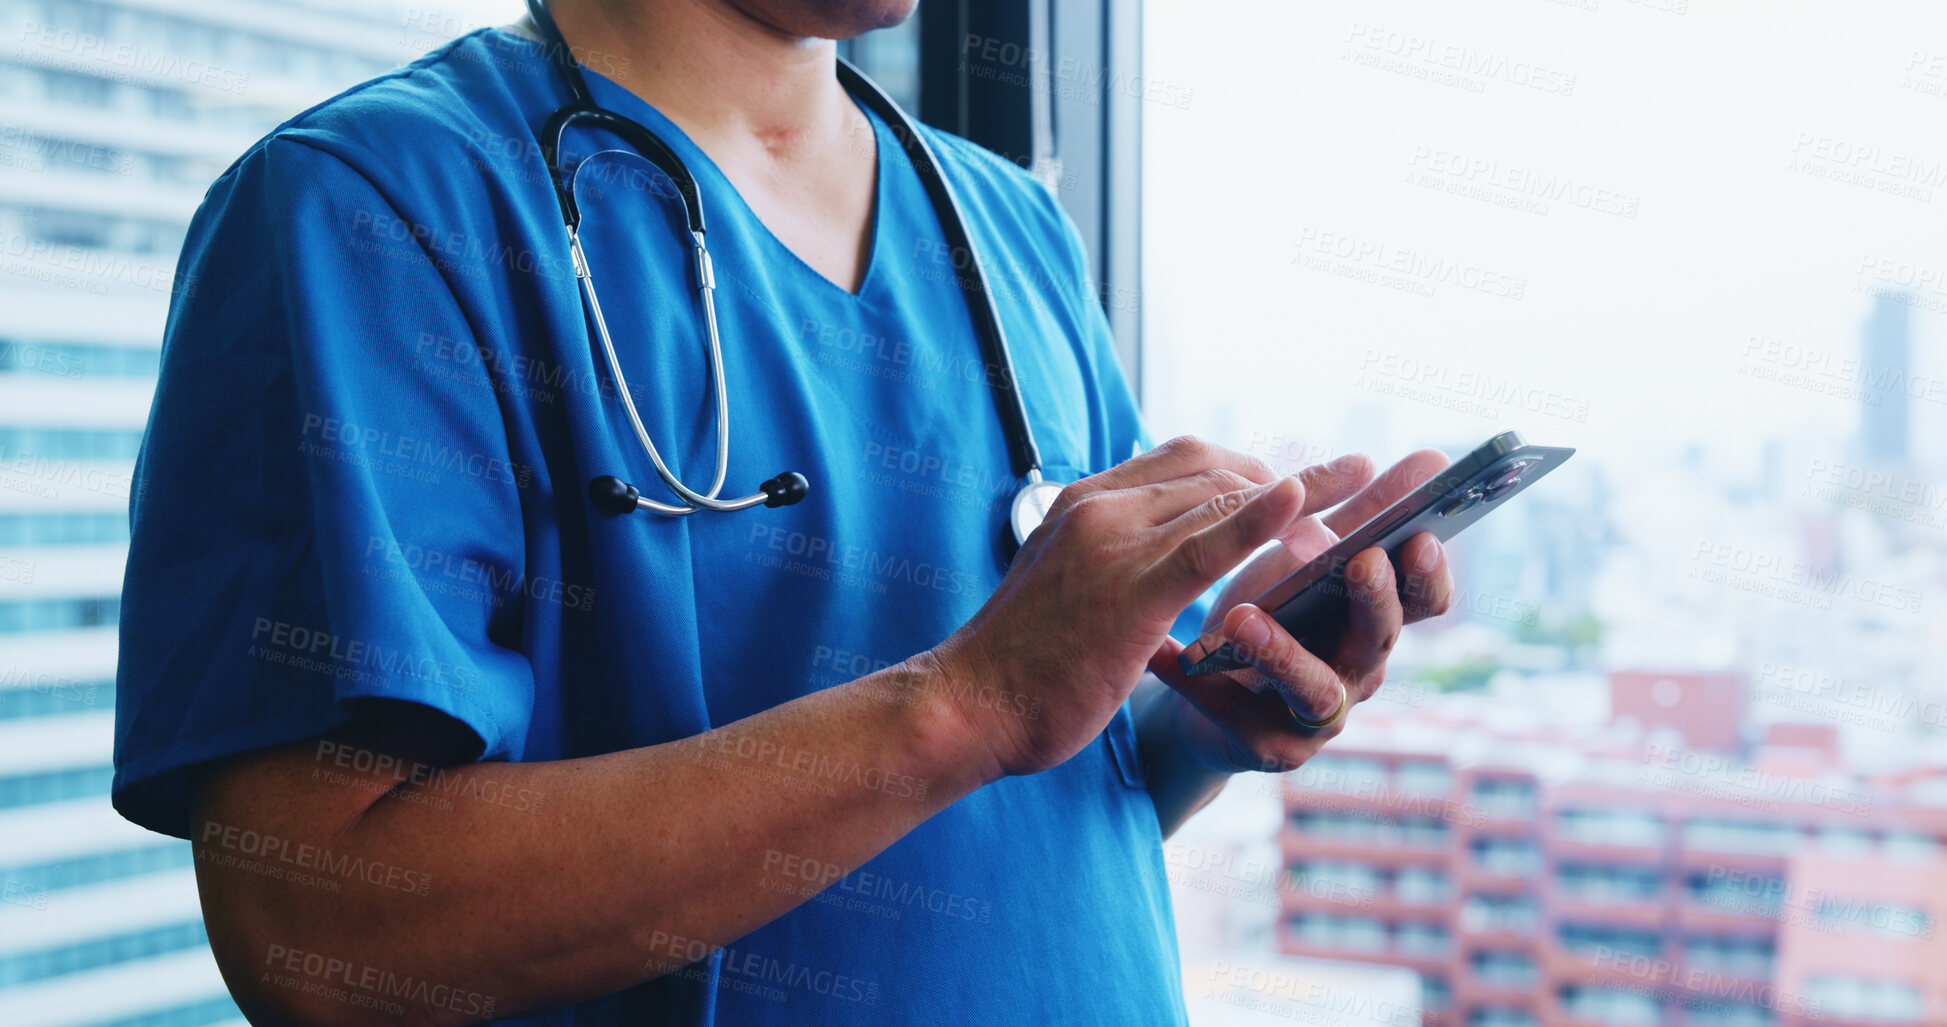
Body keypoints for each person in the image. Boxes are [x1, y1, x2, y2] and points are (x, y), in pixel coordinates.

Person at [112, 0, 1457, 1023]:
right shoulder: (374, 205)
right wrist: (965, 703)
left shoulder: (1008, 229)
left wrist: (1204, 723)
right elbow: (325, 921)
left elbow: (1001, 810)